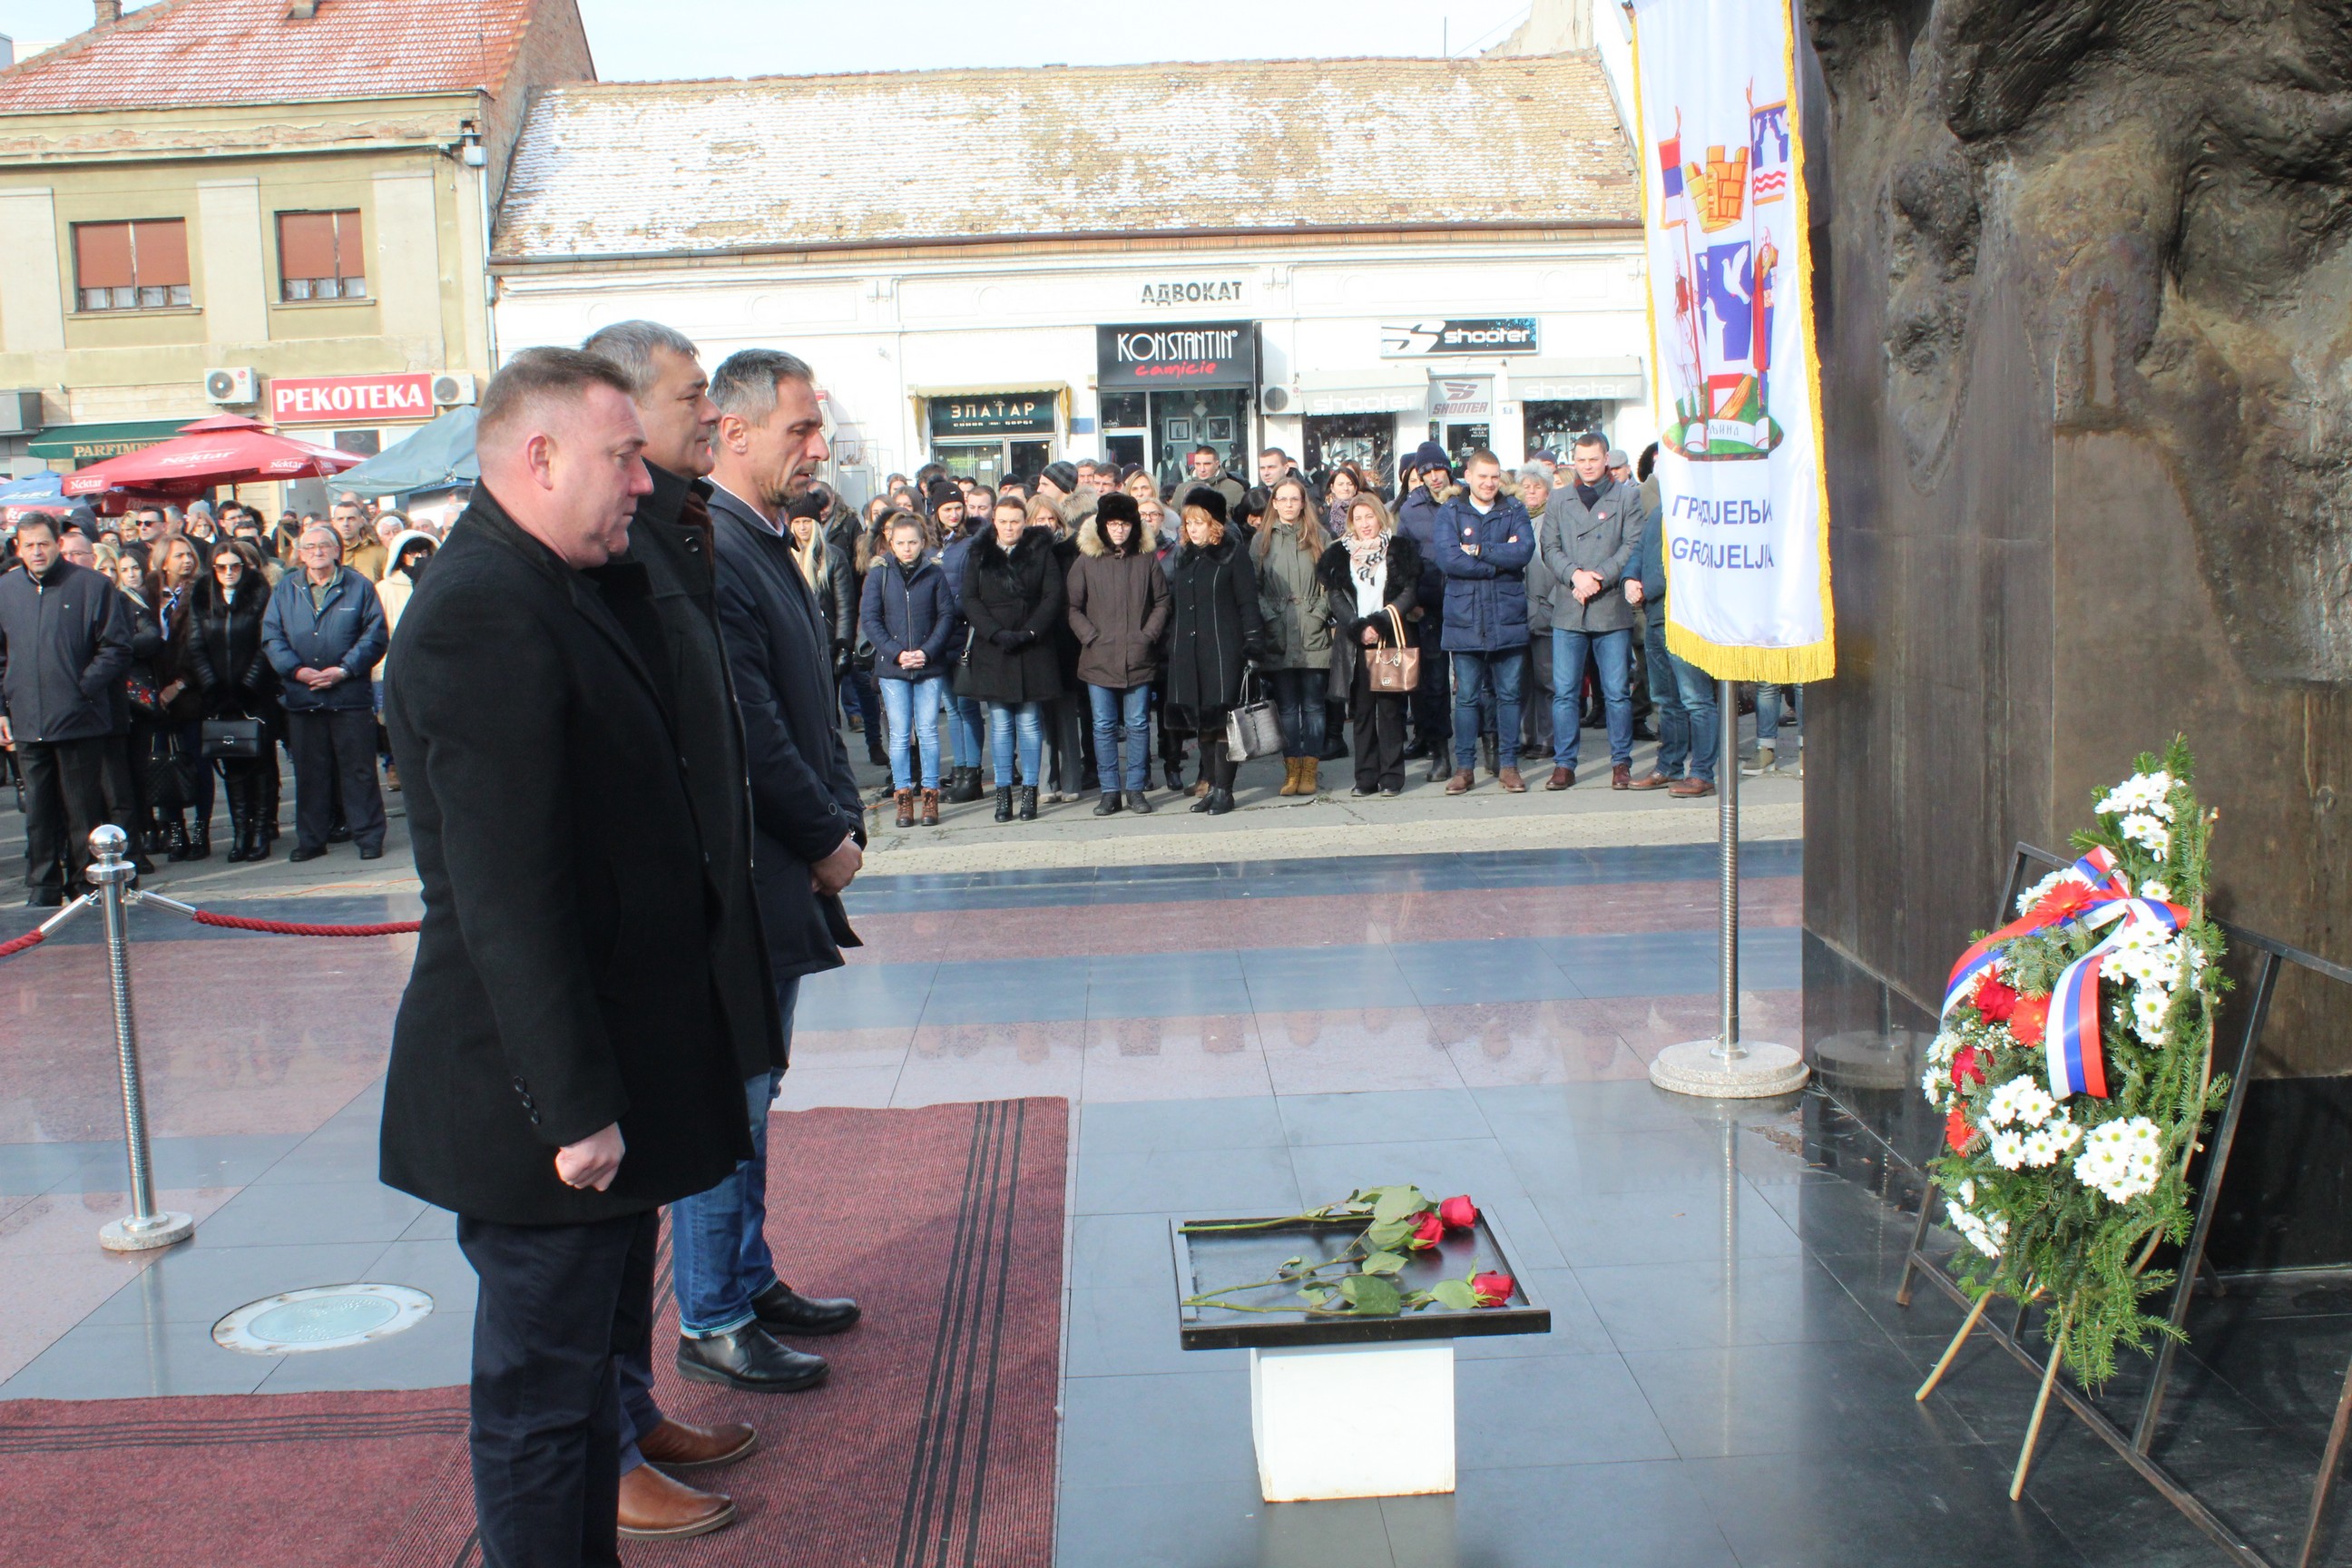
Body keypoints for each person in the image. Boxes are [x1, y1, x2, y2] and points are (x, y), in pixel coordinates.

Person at [377, 348, 756, 1568]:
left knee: (583, 1383)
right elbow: (506, 890)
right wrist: (577, 1103)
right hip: (538, 1097)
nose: (642, 480)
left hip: (606, 1062)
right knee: (542, 1401)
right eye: (621, 456)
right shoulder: (484, 607)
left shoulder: (556, 579)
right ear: (539, 458)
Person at [583, 320, 803, 1539]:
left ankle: (633, 1414)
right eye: (687, 402)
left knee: (629, 1237)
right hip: (627, 947)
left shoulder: (672, 531)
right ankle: (608, 1449)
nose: (707, 420)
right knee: (576, 1266)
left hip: (698, 905)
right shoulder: (540, 577)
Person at [702, 347, 868, 1395]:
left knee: (759, 1094)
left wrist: (842, 816)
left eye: (820, 430)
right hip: (752, 874)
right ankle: (714, 1313)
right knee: (733, 1102)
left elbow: (812, 699)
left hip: (789, 864)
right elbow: (750, 728)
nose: (819, 447)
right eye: (801, 429)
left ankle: (747, 1280)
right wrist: (823, 835)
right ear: (735, 431)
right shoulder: (718, 548)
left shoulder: (766, 540)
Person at [0, 514, 130, 905]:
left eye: (44, 543)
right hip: (27, 720)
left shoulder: (92, 585)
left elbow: (116, 647)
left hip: (78, 719)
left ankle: (83, 884)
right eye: (29, 545)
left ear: (58, 544)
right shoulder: (6, 589)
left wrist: (81, 687)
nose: (37, 552)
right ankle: (42, 886)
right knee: (38, 812)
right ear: (18, 548)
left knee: (81, 811)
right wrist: (3, 708)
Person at [262, 524, 387, 860]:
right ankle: (312, 840)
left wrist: (344, 670)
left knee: (359, 771)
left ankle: (369, 837)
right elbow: (272, 637)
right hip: (303, 697)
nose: (317, 552)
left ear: (336, 551)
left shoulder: (359, 586)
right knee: (310, 773)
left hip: (349, 695)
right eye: (310, 547)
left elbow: (375, 635)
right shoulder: (285, 589)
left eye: (324, 546)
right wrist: (296, 671)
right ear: (300, 553)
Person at [1539, 435, 1644, 791]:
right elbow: (1549, 547)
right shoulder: (1559, 498)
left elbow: (1632, 544)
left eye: (1593, 459)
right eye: (1581, 459)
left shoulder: (1627, 497)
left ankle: (1621, 763)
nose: (1587, 465)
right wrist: (1575, 576)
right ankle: (1564, 764)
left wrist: (1599, 576)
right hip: (1570, 606)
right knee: (1565, 693)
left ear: (1606, 459)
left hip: (1609, 605)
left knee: (1616, 692)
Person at [958, 495, 1063, 823]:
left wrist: (1030, 632)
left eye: (1015, 521)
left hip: (1032, 648)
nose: (1008, 527)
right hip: (994, 649)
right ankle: (1003, 793)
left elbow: (1052, 595)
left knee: (1030, 723)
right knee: (1001, 724)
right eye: (1003, 521)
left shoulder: (1040, 551)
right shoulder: (979, 553)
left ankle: (1030, 792)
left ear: (1024, 522)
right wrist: (995, 633)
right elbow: (970, 598)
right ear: (994, 522)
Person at [1435, 450, 1534, 795]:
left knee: (1509, 695)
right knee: (1466, 698)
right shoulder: (1450, 511)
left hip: (1507, 615)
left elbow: (1524, 551)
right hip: (1465, 617)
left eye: (1495, 477)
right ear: (1468, 476)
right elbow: (1449, 559)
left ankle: (1509, 765)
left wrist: (1477, 549)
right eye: (1483, 477)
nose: (1490, 483)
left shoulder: (1514, 509)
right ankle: (1464, 768)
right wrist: (1499, 559)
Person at [1162, 490, 1267, 817]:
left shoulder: (1233, 555)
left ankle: (1224, 790)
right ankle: (1210, 785)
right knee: (1201, 723)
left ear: (1215, 524)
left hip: (1222, 649)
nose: (1193, 529)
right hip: (1187, 651)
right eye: (1189, 522)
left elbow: (1248, 603)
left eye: (1200, 522)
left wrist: (1253, 646)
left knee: (1222, 721)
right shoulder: (1184, 557)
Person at [1065, 491, 1168, 816]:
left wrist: (1147, 635)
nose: (1119, 530)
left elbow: (1162, 601)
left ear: (1134, 526)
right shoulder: (1086, 561)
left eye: (1125, 524)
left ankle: (1135, 788)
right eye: (1112, 524)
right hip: (1098, 658)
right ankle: (1110, 791)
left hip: (1138, 656)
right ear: (1102, 526)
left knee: (1138, 725)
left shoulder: (1146, 560)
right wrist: (1090, 637)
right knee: (1103, 726)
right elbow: (1073, 607)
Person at [184, 539, 281, 861]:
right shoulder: (202, 595)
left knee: (261, 762)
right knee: (232, 761)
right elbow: (196, 646)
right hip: (219, 696)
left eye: (235, 566)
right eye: (222, 567)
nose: (228, 572)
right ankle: (241, 833)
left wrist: (247, 688)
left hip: (254, 694)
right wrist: (213, 688)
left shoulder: (259, 593)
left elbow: (265, 644)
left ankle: (261, 831)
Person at [1623, 468, 1717, 799]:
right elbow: (1640, 551)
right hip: (1656, 617)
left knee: (1696, 699)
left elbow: (1684, 565)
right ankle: (1669, 766)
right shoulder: (1661, 511)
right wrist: (1629, 579)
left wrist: (1646, 587)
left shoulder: (1697, 512)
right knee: (1666, 700)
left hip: (1684, 618)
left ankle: (1702, 772)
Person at [1318, 495, 1418, 797]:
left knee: (1389, 711)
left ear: (1380, 518)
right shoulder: (1340, 554)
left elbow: (1407, 592)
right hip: (1355, 642)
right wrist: (1357, 627)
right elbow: (1336, 596)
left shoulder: (1398, 550)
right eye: (1358, 518)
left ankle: (1391, 777)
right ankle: (1365, 778)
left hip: (1388, 637)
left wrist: (1380, 622)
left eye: (1369, 517)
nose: (1364, 524)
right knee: (1361, 713)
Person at [860, 513, 956, 826]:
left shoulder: (934, 573)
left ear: (922, 542)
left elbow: (946, 616)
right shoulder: (879, 574)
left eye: (913, 542)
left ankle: (929, 796)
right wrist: (897, 653)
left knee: (928, 732)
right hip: (893, 668)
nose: (907, 548)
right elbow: (870, 619)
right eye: (901, 543)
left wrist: (927, 652)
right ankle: (903, 797)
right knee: (900, 735)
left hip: (929, 665)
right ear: (891, 543)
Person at [1251, 475, 1331, 797]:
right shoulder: (1262, 540)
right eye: (1282, 499)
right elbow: (1253, 587)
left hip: (1313, 632)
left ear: (1302, 503)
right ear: (1274, 503)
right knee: (1286, 707)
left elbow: (1332, 583)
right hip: (1278, 633)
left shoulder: (1319, 536)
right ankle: (1291, 769)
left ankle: (1310, 768)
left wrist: (1318, 613)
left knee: (1313, 706)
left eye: (1294, 499)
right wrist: (1270, 615)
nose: (1288, 504)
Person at [147, 535, 213, 860]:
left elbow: (205, 645)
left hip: (191, 692)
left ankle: (201, 830)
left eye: (189, 554)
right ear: (163, 561)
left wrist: (181, 684)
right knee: (163, 763)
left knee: (198, 763)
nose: (186, 560)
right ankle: (175, 831)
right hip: (154, 696)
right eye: (178, 556)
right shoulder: (148, 596)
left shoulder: (201, 593)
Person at [1396, 444, 1452, 779]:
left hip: (1466, 601)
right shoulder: (1410, 508)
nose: (1433, 477)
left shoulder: (1463, 500)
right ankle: (1439, 751)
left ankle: (1489, 748)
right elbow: (1403, 559)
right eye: (1426, 471)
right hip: (1429, 606)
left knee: (1477, 683)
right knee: (1434, 683)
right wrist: (1411, 599)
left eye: (1438, 469)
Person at [1516, 466, 1559, 765]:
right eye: (1526, 486)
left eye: (1537, 486)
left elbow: (1562, 565)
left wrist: (1549, 605)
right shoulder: (1514, 519)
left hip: (1546, 612)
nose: (1531, 491)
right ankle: (1525, 736)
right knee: (1521, 681)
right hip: (1518, 613)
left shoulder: (1554, 520)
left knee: (1547, 681)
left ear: (1547, 491)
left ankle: (1548, 737)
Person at [331, 497, 387, 582]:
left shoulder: (379, 550)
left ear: (361, 521)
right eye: (340, 519)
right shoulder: (328, 552)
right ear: (333, 523)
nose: (345, 524)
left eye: (351, 519)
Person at [1184, 444, 1248, 514]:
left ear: (1217, 464)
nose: (1202, 469)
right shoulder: (1182, 489)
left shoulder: (1235, 488)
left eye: (1207, 464)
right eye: (1198, 464)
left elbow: (1242, 519)